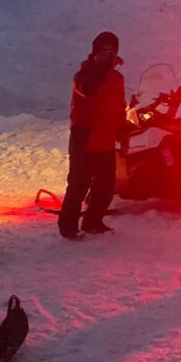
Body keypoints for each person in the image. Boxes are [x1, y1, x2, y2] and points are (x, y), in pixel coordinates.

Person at [58, 31, 127, 239]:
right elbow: (88, 89)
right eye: (103, 51)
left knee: (106, 186)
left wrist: (122, 126)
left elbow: (118, 105)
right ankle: (68, 226)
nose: (108, 55)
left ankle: (93, 221)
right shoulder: (84, 75)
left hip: (105, 138)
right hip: (85, 137)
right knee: (78, 184)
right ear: (95, 52)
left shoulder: (116, 77)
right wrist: (103, 66)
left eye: (112, 51)